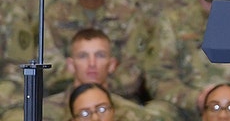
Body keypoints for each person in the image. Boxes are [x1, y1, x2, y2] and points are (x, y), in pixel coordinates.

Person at [44, 0, 153, 101]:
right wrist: (83, 83)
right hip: (66, 98)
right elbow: (49, 67)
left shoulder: (128, 14)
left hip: (117, 98)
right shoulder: (55, 14)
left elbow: (134, 68)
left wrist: (101, 85)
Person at [0, 28, 174, 121]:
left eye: (100, 55)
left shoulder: (132, 114)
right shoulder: (38, 113)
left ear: (112, 64)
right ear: (70, 64)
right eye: (83, 56)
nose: (92, 64)